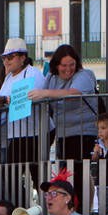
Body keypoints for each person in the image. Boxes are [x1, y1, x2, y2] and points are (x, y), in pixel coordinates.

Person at [29, 44, 99, 206]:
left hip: (83, 132)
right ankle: (68, 207)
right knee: (65, 173)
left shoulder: (85, 75)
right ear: (56, 65)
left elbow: (74, 93)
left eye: (72, 65)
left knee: (79, 173)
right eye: (64, 66)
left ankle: (81, 209)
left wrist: (46, 93)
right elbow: (41, 95)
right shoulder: (51, 78)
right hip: (63, 134)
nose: (68, 69)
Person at [0, 38, 47, 170]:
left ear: (23, 58)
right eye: (3, 58)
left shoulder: (33, 73)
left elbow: (29, 96)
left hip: (34, 133)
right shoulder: (9, 77)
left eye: (10, 57)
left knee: (35, 174)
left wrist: (3, 101)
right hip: (15, 134)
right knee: (11, 175)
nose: (5, 61)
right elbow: (1, 98)